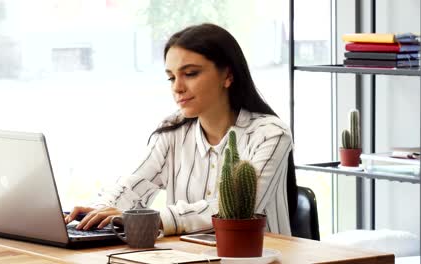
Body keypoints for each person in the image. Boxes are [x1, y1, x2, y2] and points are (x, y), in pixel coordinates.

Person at [65, 23, 297, 236]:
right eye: (171, 77)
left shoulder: (271, 134)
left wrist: (153, 219)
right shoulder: (172, 132)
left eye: (190, 74)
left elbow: (238, 207)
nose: (177, 87)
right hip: (188, 258)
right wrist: (97, 212)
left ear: (227, 75)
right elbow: (134, 184)